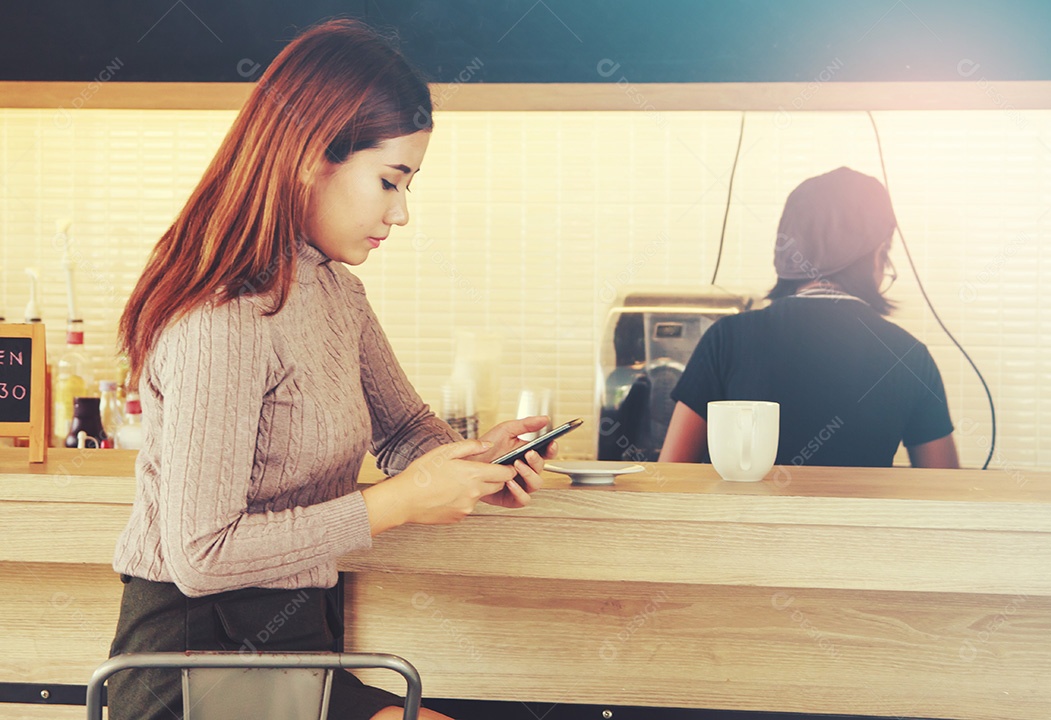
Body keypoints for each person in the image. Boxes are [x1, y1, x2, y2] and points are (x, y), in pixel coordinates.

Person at [108, 19, 553, 720]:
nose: (401, 213)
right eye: (389, 181)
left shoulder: (334, 292)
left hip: (290, 652)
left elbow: (403, 427)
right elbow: (201, 554)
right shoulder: (222, 318)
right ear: (312, 155)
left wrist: (470, 461)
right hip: (191, 671)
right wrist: (402, 501)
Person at [659, 167, 959, 469]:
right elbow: (945, 494)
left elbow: (671, 475)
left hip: (742, 518)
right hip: (859, 518)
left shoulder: (726, 339)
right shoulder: (909, 356)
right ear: (878, 252)